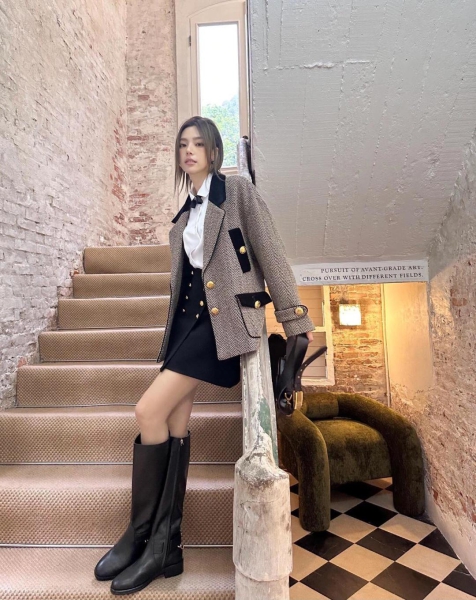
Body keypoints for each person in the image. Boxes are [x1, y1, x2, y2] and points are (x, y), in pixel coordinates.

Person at [94, 116, 315, 595]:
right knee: (174, 425)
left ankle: (144, 535)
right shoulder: (182, 217)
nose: (189, 150)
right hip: (184, 326)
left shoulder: (237, 193)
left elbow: (271, 253)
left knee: (146, 412)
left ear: (214, 152)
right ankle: (162, 546)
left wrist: (295, 321)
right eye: (183, 145)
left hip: (219, 325)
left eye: (199, 143)